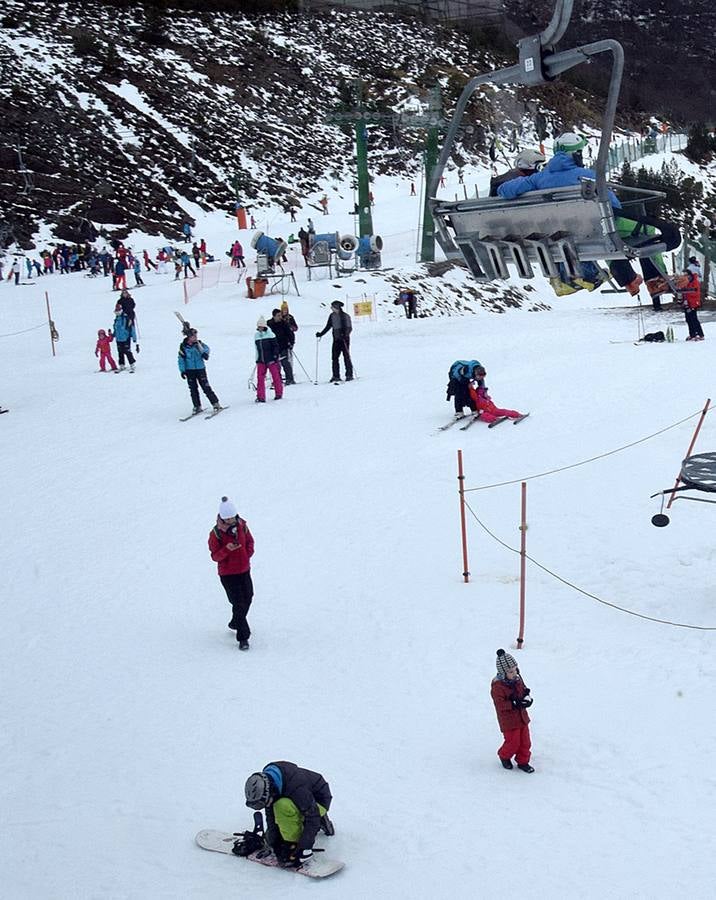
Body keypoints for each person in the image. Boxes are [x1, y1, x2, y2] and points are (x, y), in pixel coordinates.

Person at [498, 133, 680, 297]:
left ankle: (628, 280)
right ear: (576, 154)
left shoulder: (538, 178)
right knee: (637, 229)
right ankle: (654, 280)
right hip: (596, 232)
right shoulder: (588, 176)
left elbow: (504, 190)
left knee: (603, 233)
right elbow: (612, 205)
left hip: (563, 234)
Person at [244, 761, 334, 868]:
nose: (264, 806)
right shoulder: (271, 781)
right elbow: (270, 812)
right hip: (302, 801)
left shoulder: (297, 788)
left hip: (318, 800)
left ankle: (293, 843)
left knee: (282, 806)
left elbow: (313, 816)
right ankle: (306, 819)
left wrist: (304, 847)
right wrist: (273, 840)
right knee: (276, 806)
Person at [208, 496, 254, 649]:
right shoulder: (215, 534)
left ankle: (235, 621)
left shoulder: (242, 525)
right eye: (227, 519)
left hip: (244, 570)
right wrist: (227, 549)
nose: (231, 521)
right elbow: (215, 556)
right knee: (239, 603)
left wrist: (247, 554)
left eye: (232, 518)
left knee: (248, 598)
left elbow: (250, 541)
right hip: (228, 575)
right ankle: (243, 637)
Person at [491, 649, 534, 773]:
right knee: (513, 742)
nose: (514, 673)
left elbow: (523, 689)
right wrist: (514, 703)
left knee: (525, 741)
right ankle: (504, 755)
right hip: (509, 721)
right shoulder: (498, 687)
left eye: (516, 669)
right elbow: (500, 705)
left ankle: (523, 761)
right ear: (503, 673)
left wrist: (526, 697)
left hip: (522, 717)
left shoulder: (517, 679)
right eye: (510, 671)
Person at [178, 328, 221, 414]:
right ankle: (197, 406)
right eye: (193, 336)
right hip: (190, 371)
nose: (195, 338)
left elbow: (207, 349)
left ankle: (215, 403)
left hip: (200, 369)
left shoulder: (199, 344)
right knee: (193, 389)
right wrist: (182, 370)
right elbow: (181, 359)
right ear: (189, 337)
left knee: (206, 387)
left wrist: (203, 351)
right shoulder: (183, 347)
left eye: (196, 336)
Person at [316, 300, 353, 383]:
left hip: (344, 339)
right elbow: (328, 326)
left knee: (346, 356)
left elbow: (349, 327)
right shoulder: (332, 316)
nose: (331, 308)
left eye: (333, 307)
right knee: (334, 358)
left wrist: (345, 334)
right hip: (336, 340)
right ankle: (336, 375)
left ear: (337, 307)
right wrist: (321, 334)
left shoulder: (346, 316)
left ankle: (349, 374)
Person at [254, 316, 283, 402]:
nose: (259, 328)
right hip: (261, 360)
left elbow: (275, 347)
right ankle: (261, 396)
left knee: (275, 376)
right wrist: (257, 359)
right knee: (260, 378)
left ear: (264, 326)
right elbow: (256, 348)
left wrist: (275, 356)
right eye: (258, 326)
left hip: (271, 359)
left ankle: (278, 393)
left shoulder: (271, 335)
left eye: (261, 326)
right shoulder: (256, 336)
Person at [268, 307, 296, 385]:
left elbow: (290, 334)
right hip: (273, 347)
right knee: (275, 365)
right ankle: (277, 380)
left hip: (283, 346)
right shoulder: (269, 324)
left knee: (285, 363)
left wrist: (291, 343)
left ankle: (290, 379)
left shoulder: (284, 323)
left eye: (280, 315)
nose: (280, 317)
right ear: (274, 316)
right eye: (278, 315)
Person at [112, 303, 137, 373]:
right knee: (120, 352)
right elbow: (116, 329)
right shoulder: (116, 319)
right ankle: (121, 365)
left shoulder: (126, 318)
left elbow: (131, 328)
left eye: (118, 310)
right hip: (118, 339)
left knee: (127, 351)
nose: (117, 312)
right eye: (116, 311)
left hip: (126, 338)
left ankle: (132, 364)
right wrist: (113, 335)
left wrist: (134, 337)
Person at [681, 269, 704, 341]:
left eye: (686, 275)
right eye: (684, 275)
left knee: (694, 319)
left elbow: (695, 292)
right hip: (686, 303)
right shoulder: (685, 282)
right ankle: (692, 334)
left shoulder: (695, 282)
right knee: (688, 319)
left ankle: (700, 334)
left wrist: (686, 291)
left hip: (693, 303)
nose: (685, 276)